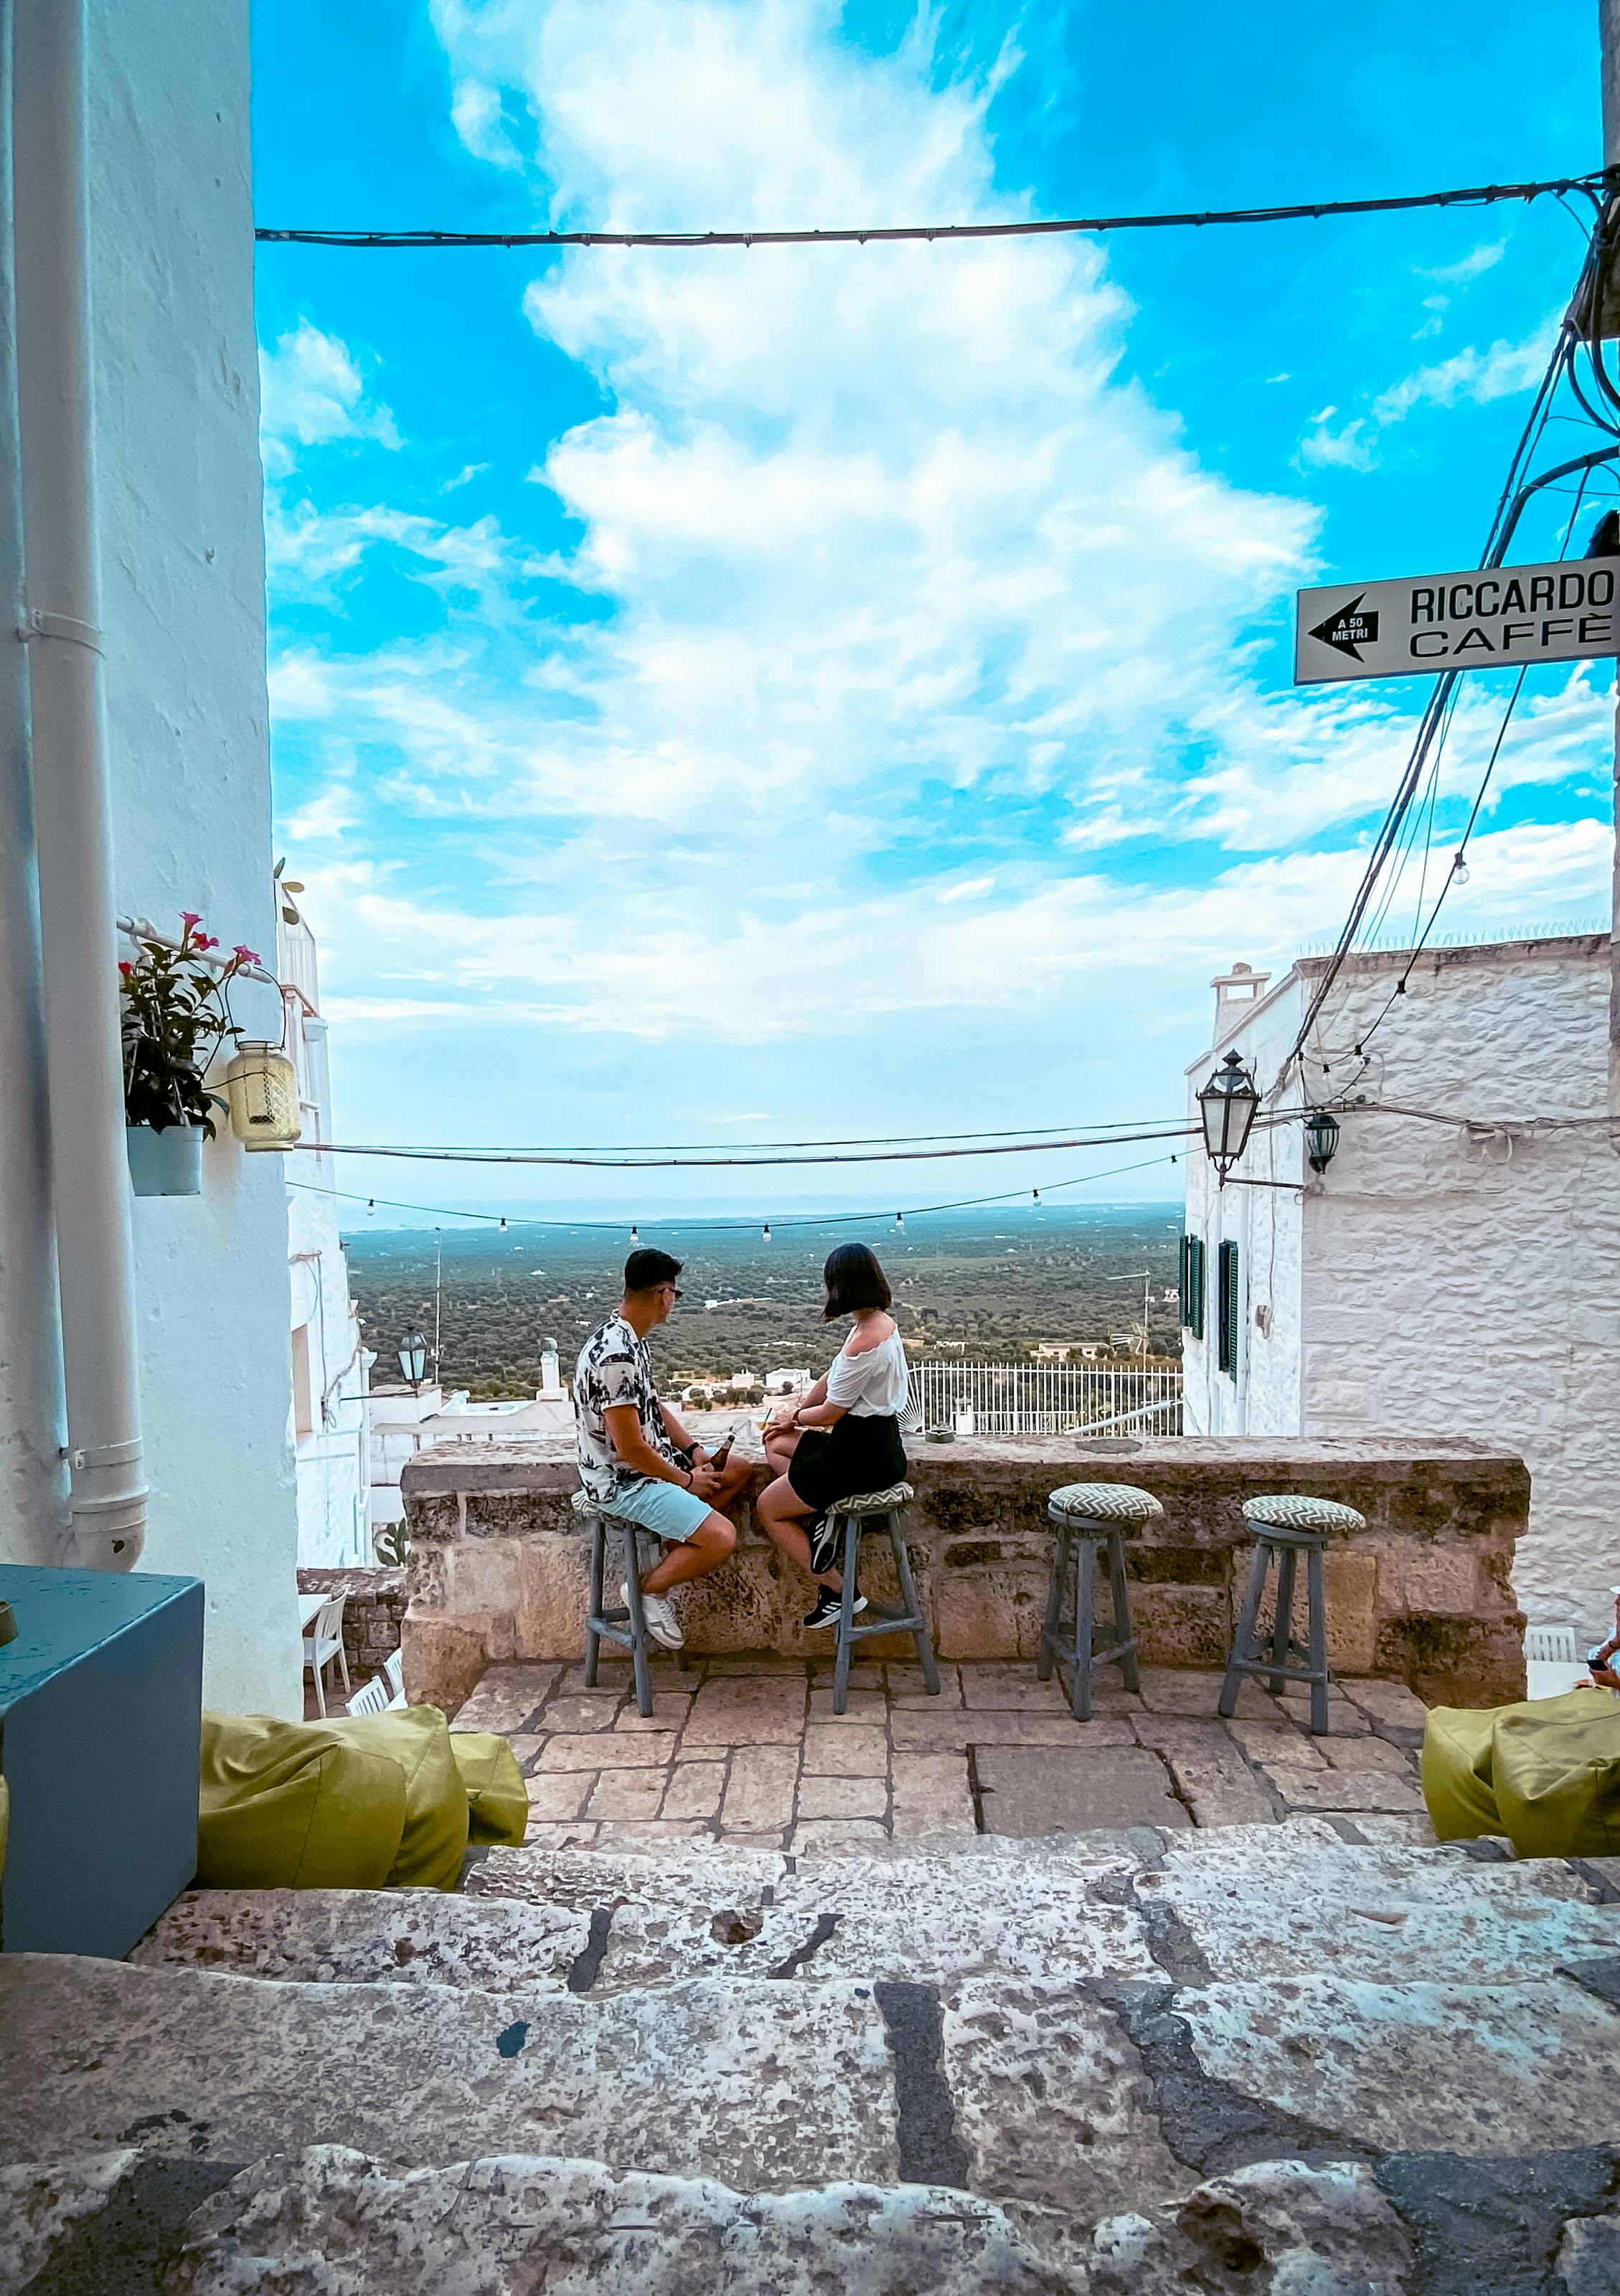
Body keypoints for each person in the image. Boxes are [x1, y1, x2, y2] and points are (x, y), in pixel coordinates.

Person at [573, 1247, 752, 1650]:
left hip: (650, 1468)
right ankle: (647, 1591)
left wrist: (694, 1452)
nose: (674, 1301)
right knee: (722, 1537)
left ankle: (675, 1547)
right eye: (675, 1293)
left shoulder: (629, 1339)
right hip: (623, 1482)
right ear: (662, 1293)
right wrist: (687, 1482)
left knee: (737, 1470)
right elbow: (631, 1449)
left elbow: (652, 1408)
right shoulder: (617, 1357)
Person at [756, 1242, 909, 1631]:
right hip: (881, 1447)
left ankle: (842, 1591)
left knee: (768, 1508)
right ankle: (825, 1515)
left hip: (856, 1456)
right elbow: (832, 1378)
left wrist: (796, 1416)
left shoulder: (864, 1341)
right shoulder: (881, 1326)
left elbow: (831, 1414)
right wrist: (791, 1422)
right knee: (775, 1444)